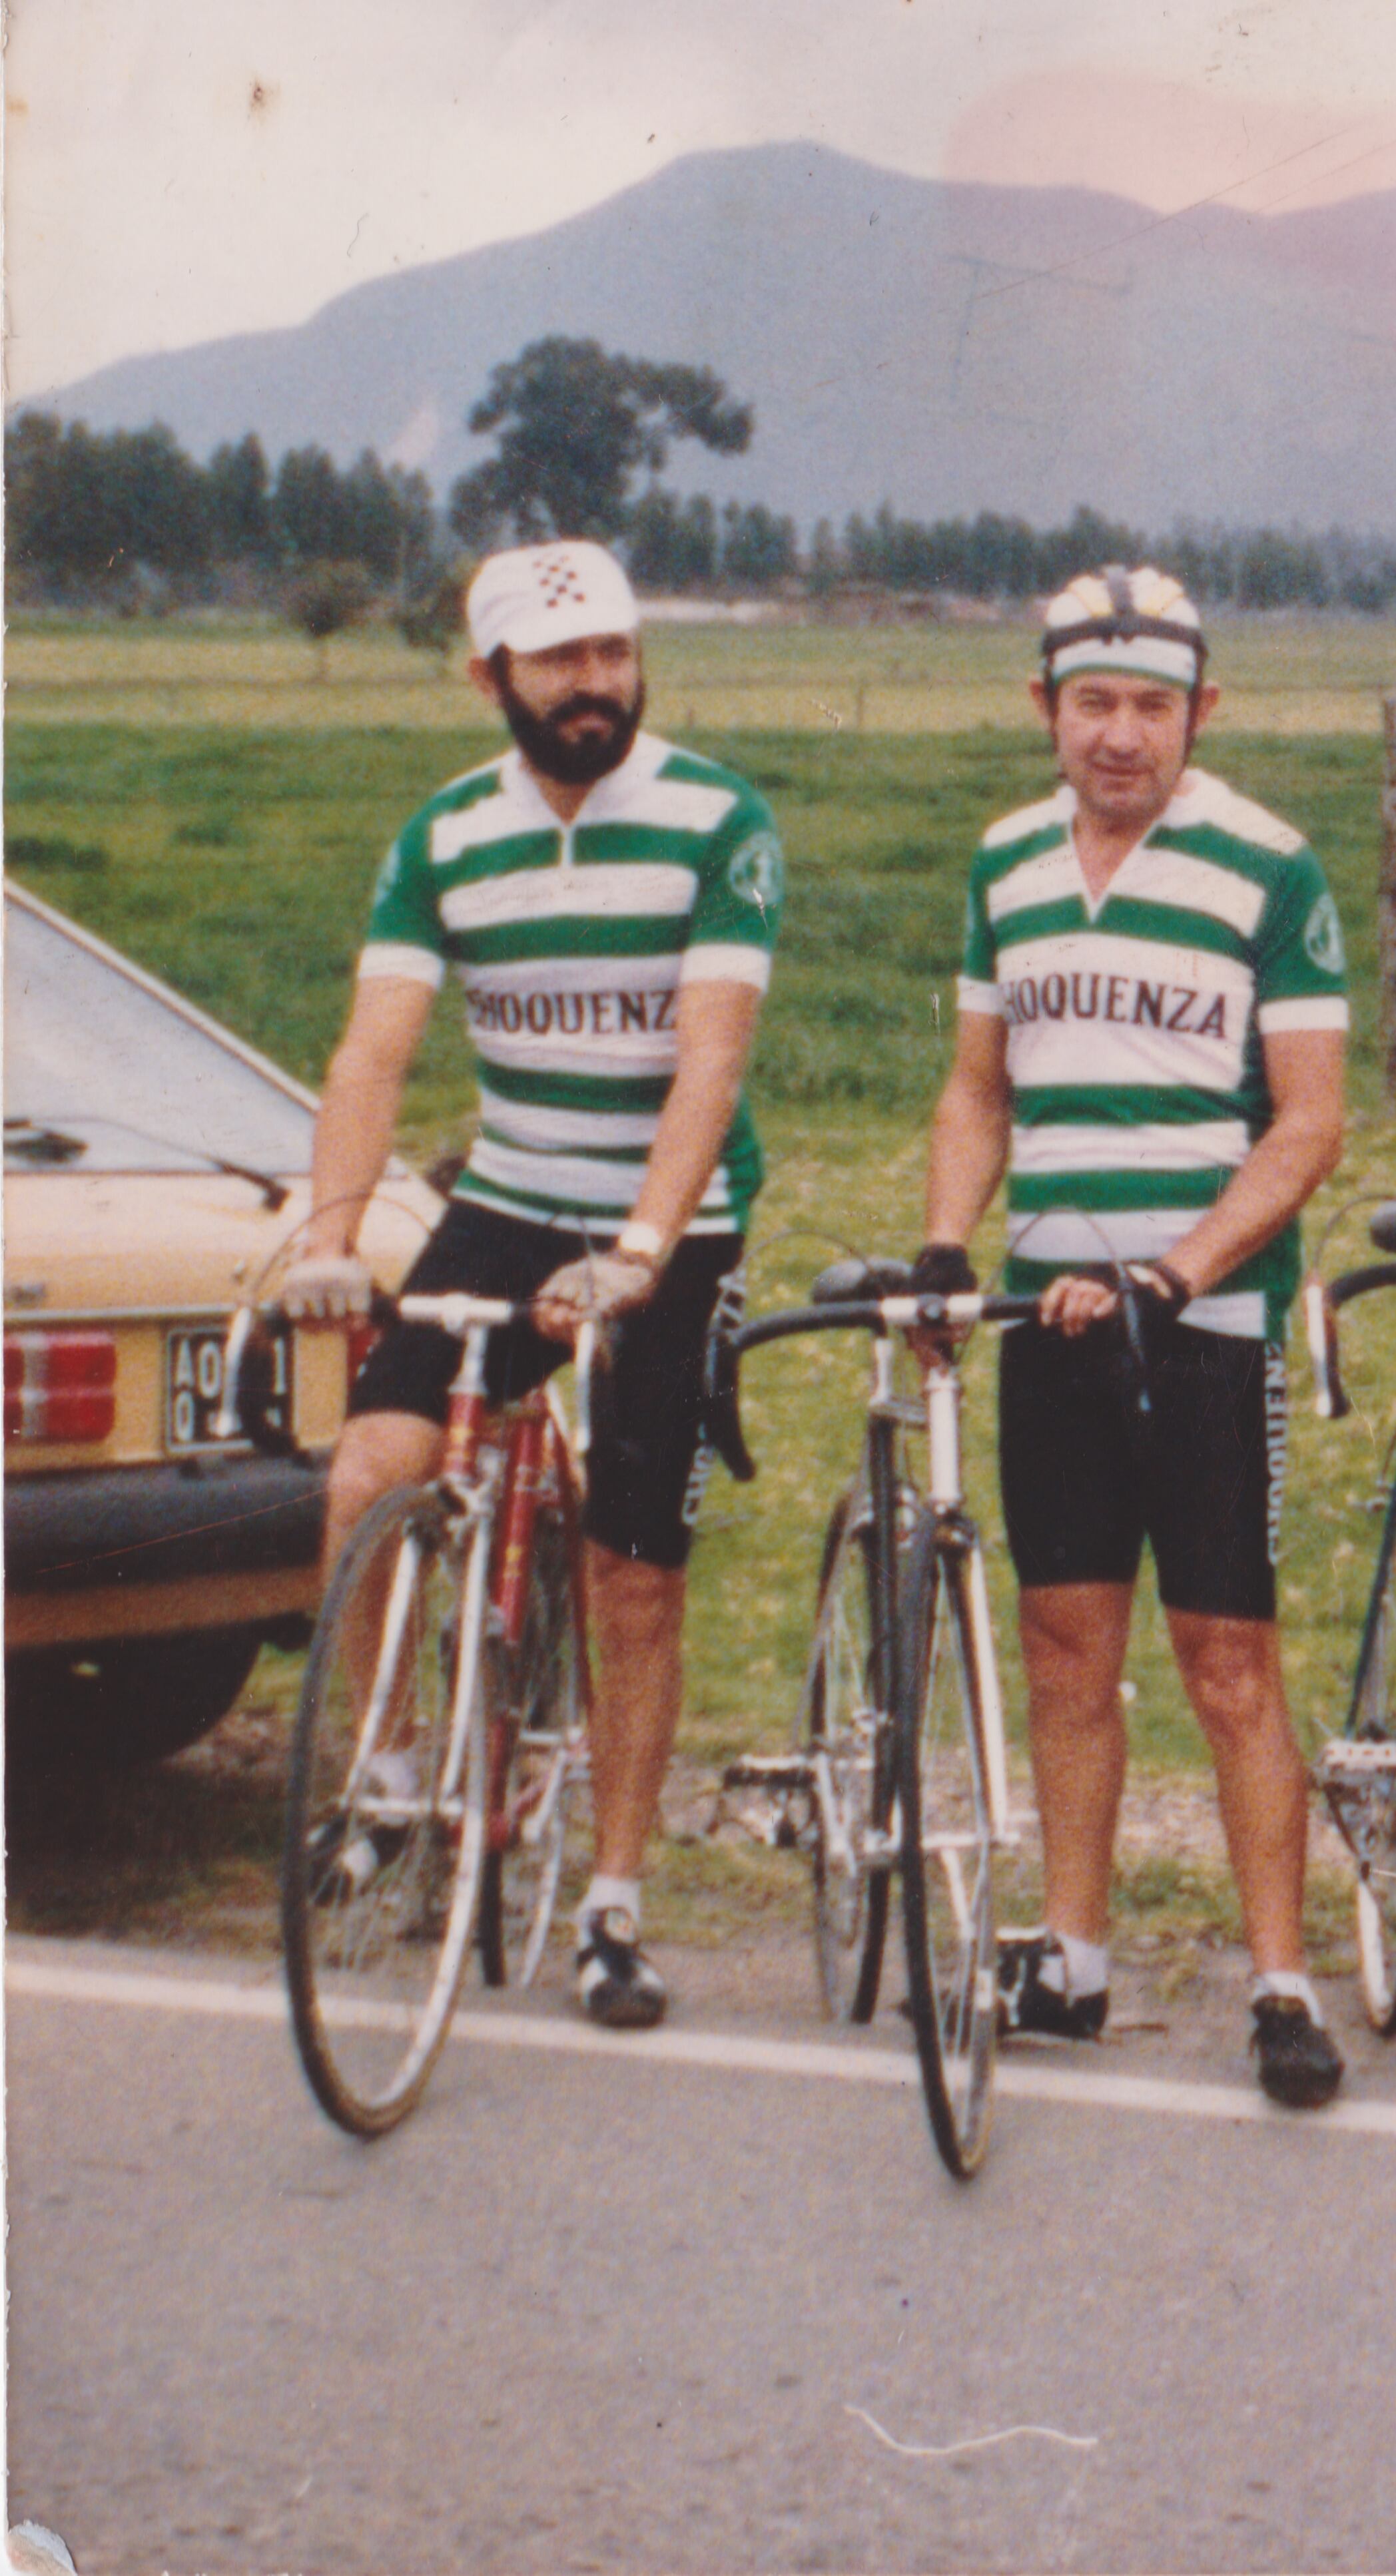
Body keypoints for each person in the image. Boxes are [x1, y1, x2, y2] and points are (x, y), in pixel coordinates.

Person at [281, 539, 781, 2030]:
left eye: (615, 654)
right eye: (560, 663)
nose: (595, 686)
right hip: (504, 1201)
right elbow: (375, 1053)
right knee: (371, 1464)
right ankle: (384, 1777)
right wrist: (330, 1235)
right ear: (490, 676)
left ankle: (614, 1905)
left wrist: (637, 1251)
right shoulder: (443, 836)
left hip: (666, 1224)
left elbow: (711, 1056)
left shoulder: (713, 816)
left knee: (631, 1577)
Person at [914, 567, 1351, 2110]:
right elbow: (980, 1090)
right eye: (1092, 703)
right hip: (1048, 1313)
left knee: (1227, 1657)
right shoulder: (1004, 863)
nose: (1119, 736)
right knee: (1063, 1647)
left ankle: (1283, 1985)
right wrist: (946, 1245)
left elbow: (1308, 1125)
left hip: (1207, 1322)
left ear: (1201, 714)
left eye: (1151, 707)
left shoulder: (1268, 866)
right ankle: (1073, 1957)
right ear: (1045, 707)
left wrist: (1178, 1270)